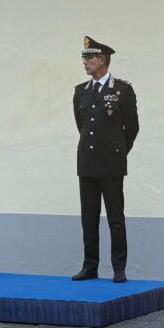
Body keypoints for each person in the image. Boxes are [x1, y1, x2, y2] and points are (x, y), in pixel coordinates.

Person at [71, 36, 139, 284]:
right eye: (84, 58)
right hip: (87, 163)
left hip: (111, 164)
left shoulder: (122, 90)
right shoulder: (81, 91)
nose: (85, 62)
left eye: (89, 58)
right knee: (88, 218)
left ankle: (118, 268)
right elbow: (82, 126)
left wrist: (117, 152)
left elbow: (131, 128)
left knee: (115, 219)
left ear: (102, 60)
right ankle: (90, 266)